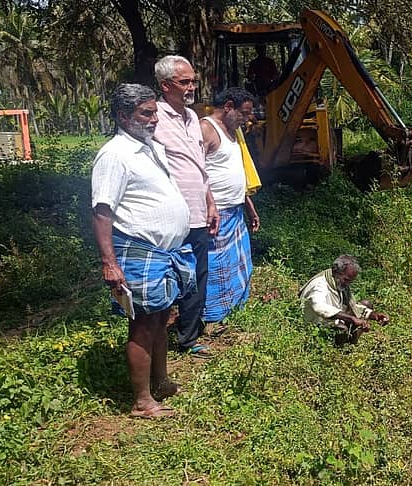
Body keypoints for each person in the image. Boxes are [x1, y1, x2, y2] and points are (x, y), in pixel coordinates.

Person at [91, 83, 195, 419]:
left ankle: (161, 382)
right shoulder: (115, 155)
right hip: (138, 251)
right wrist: (110, 263)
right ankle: (142, 401)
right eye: (145, 113)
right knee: (143, 325)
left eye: (154, 113)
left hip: (164, 252)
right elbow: (102, 211)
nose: (153, 120)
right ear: (123, 116)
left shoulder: (149, 147)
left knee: (161, 319)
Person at [154, 55, 219, 358]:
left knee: (198, 276)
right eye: (184, 82)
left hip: (198, 213)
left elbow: (200, 167)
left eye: (193, 80)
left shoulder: (193, 118)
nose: (192, 86)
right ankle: (155, 336)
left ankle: (189, 336)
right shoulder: (153, 116)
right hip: (169, 217)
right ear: (165, 86)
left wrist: (211, 204)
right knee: (169, 278)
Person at [199, 87, 261, 325]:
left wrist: (249, 205)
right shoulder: (206, 129)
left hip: (234, 210)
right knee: (217, 266)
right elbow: (196, 173)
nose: (247, 119)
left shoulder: (234, 132)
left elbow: (236, 172)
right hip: (217, 213)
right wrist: (210, 206)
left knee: (238, 262)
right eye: (243, 113)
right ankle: (213, 315)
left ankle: (235, 308)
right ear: (227, 107)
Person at [299, 255, 390, 345]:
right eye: (346, 280)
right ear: (336, 271)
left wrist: (374, 315)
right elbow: (319, 307)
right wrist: (352, 319)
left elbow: (353, 307)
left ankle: (351, 345)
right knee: (341, 329)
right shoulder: (319, 284)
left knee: (366, 304)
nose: (347, 284)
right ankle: (339, 351)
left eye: (350, 281)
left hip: (331, 321)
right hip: (314, 327)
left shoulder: (337, 282)